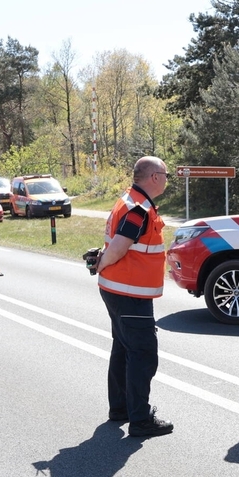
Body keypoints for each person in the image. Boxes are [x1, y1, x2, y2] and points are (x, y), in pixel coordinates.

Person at [96, 156, 174, 437]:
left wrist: (102, 264)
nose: (167, 178)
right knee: (142, 354)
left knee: (123, 348)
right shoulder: (138, 209)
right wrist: (101, 262)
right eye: (165, 174)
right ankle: (140, 419)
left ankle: (120, 409)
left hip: (118, 289)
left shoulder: (130, 200)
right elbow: (118, 247)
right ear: (154, 177)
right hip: (130, 293)